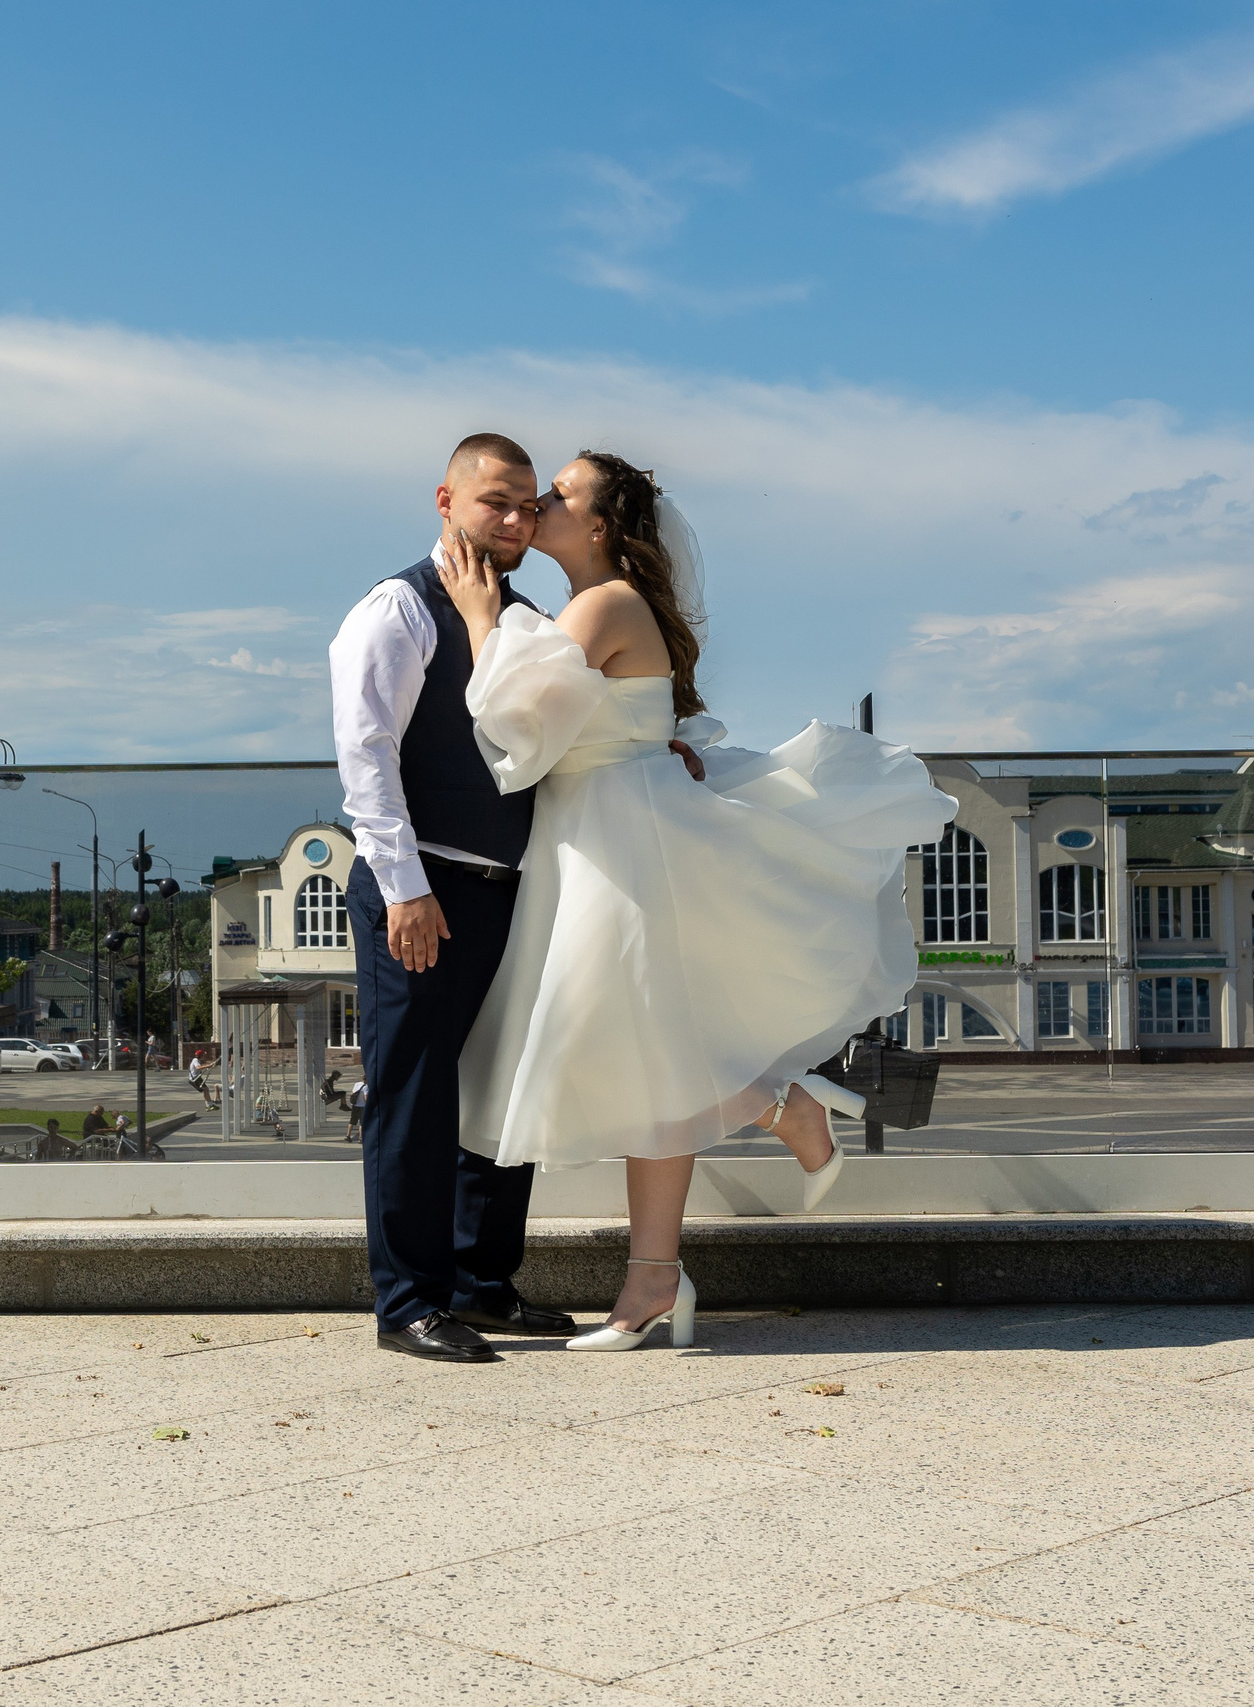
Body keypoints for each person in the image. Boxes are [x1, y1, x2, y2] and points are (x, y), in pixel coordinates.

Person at [441, 450, 954, 1351]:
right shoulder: (594, 606)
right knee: (641, 1051)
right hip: (602, 833)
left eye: (560, 492)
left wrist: (482, 618)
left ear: (601, 525)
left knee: (629, 1041)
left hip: (615, 845)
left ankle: (774, 1112)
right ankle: (659, 1271)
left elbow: (517, 719)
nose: (540, 502)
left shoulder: (602, 603)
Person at [331, 432, 632, 1362]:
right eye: (494, 501)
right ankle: (409, 1304)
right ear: (446, 501)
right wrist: (405, 889)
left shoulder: (527, 614)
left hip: (511, 888)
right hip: (421, 887)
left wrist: (658, 751)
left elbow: (565, 729)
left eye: (526, 505)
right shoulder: (397, 607)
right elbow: (366, 756)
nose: (513, 519)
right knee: (414, 1095)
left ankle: (481, 1285)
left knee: (503, 1084)